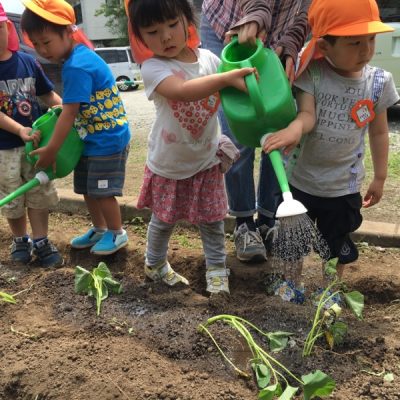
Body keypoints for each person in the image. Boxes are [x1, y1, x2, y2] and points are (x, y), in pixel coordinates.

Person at [262, 0, 400, 289]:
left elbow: (378, 132)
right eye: (354, 43)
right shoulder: (313, 74)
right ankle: (291, 286)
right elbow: (307, 115)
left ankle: (330, 293)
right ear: (324, 47)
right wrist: (294, 130)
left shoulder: (378, 83)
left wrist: (380, 176)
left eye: (371, 40)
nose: (366, 50)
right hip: (302, 183)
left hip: (343, 187)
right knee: (293, 243)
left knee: (336, 246)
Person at [125, 0, 255, 294]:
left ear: (188, 21)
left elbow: (234, 78)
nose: (166, 37)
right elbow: (182, 92)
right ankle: (155, 264)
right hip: (169, 164)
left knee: (212, 221)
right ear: (141, 38)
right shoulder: (154, 68)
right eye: (153, 31)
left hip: (207, 159)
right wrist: (225, 78)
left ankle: (217, 271)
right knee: (163, 220)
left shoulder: (209, 59)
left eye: (172, 25)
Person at [201, 0, 311, 262]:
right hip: (227, 24)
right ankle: (243, 223)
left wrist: (293, 40)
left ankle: (268, 217)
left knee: (277, 131)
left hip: (277, 33)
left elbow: (309, 9)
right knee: (240, 134)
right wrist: (257, 14)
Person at [20, 0, 131, 255]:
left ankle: (117, 232)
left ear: (68, 31)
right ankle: (99, 228)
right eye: (36, 44)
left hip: (107, 138)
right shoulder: (75, 58)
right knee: (86, 188)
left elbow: (68, 114)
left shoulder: (78, 65)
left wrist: (51, 149)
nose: (41, 50)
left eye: (46, 42)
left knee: (102, 190)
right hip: (91, 137)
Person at [0, 2, 63, 268]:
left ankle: (41, 240)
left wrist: (63, 109)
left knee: (38, 192)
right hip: (4, 148)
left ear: (7, 28)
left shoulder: (27, 62)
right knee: (12, 196)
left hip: (36, 144)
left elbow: (47, 94)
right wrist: (18, 129)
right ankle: (20, 239)